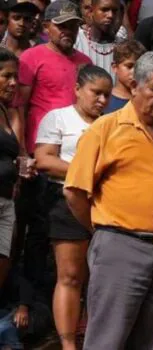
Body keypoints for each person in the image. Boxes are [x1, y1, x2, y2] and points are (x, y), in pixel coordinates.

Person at [64, 52, 153, 350]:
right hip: (121, 246)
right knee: (107, 340)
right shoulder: (107, 128)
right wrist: (105, 232)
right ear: (134, 87)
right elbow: (74, 191)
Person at [34, 65, 112, 350]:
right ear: (77, 89)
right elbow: (44, 159)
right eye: (96, 93)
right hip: (65, 201)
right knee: (70, 276)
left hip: (105, 205)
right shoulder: (58, 118)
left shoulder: (112, 122)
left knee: (99, 278)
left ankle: (94, 339)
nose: (102, 101)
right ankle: (68, 345)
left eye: (106, 95)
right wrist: (83, 173)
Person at [16, 0, 91, 291]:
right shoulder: (33, 57)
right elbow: (19, 106)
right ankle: (32, 297)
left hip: (75, 154)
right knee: (37, 229)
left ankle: (63, 295)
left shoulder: (84, 61)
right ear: (47, 27)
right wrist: (24, 151)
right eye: (61, 26)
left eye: (72, 25)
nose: (67, 31)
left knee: (72, 231)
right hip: (41, 152)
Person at [0, 49, 19, 292]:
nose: (13, 83)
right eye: (7, 76)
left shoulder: (5, 111)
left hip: (6, 200)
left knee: (3, 262)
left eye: (16, 77)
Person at [74, 0, 122, 80]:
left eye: (115, 10)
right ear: (91, 11)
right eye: (104, 9)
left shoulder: (123, 46)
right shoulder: (76, 40)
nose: (110, 15)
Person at [104, 39, 146, 114]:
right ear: (115, 67)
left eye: (139, 67)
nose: (134, 72)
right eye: (129, 66)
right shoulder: (104, 99)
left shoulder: (145, 99)